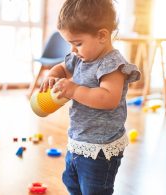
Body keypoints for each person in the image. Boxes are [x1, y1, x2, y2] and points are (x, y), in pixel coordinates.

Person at [39, 0, 141, 194]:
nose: (73, 50)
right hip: (79, 139)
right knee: (72, 182)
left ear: (102, 35)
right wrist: (53, 74)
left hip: (101, 148)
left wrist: (75, 90)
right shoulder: (80, 57)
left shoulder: (112, 65)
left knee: (95, 190)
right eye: (70, 44)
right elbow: (63, 67)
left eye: (77, 43)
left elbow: (108, 98)